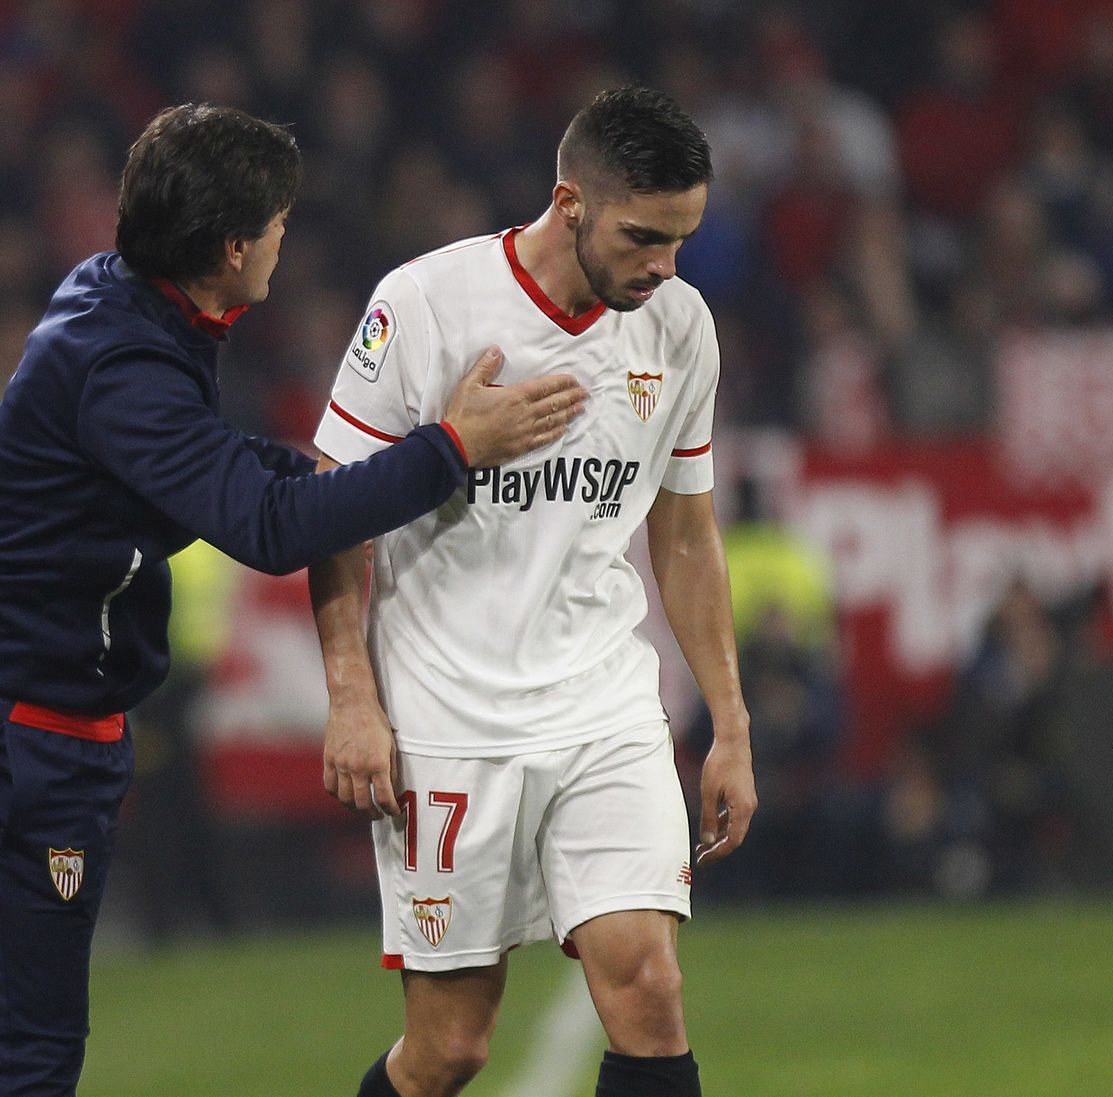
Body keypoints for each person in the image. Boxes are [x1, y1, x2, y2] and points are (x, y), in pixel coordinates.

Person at [0, 102, 586, 1097]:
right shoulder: (122, 362)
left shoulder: (131, 307)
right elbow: (268, 525)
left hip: (29, 712)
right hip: (14, 729)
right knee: (24, 1051)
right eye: (276, 222)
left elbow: (221, 470)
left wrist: (358, 465)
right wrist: (449, 450)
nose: (283, 239)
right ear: (230, 245)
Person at [309, 86, 758, 1097]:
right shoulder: (427, 306)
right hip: (447, 714)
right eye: (643, 237)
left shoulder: (678, 328)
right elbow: (331, 511)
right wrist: (350, 694)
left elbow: (683, 532)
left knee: (648, 989)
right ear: (568, 204)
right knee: (449, 1049)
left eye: (681, 240)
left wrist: (728, 719)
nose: (663, 267)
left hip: (601, 702)